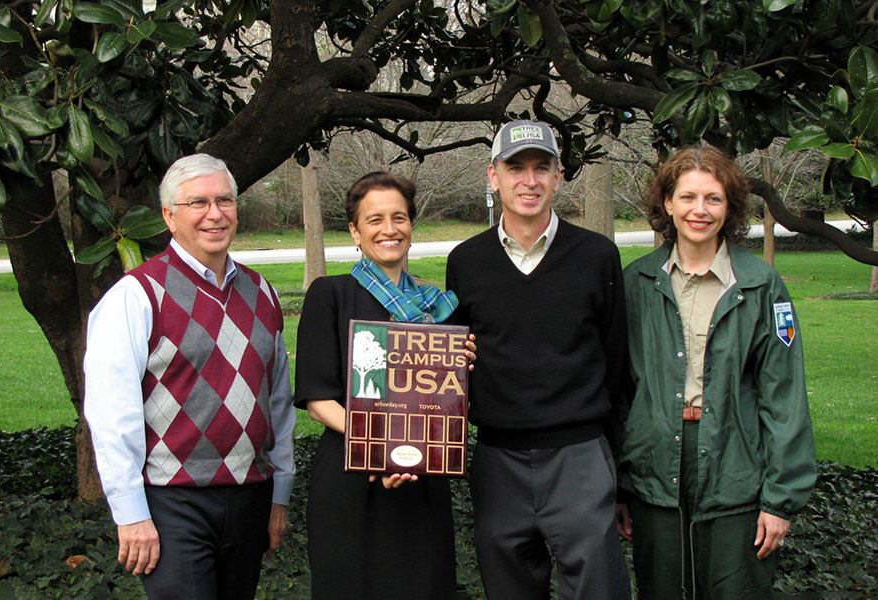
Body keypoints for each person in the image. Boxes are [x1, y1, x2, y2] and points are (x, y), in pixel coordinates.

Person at [83, 153, 295, 600]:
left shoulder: (263, 293)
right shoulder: (137, 296)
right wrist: (130, 513)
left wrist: (280, 493)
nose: (214, 214)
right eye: (198, 202)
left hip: (250, 497)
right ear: (169, 216)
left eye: (225, 200)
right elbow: (110, 413)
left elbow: (278, 404)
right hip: (171, 503)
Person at [617, 146, 817, 599]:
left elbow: (783, 396)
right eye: (688, 197)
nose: (699, 210)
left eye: (713, 198)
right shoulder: (637, 284)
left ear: (730, 207)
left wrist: (780, 499)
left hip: (735, 467)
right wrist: (621, 486)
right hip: (654, 471)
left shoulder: (760, 285)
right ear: (667, 203)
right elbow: (621, 391)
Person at [445, 120, 632, 599]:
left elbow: (615, 366)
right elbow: (456, 364)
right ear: (493, 176)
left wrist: (619, 471)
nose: (529, 181)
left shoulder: (597, 256)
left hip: (579, 457)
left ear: (558, 175)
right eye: (516, 168)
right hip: (497, 459)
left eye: (541, 168)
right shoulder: (465, 261)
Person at [294, 171, 475, 600]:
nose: (389, 229)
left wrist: (463, 362)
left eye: (399, 217)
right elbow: (319, 401)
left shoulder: (440, 310)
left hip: (421, 482)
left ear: (412, 225)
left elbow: (445, 408)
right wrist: (386, 449)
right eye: (374, 220)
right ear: (355, 232)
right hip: (353, 479)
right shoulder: (331, 296)